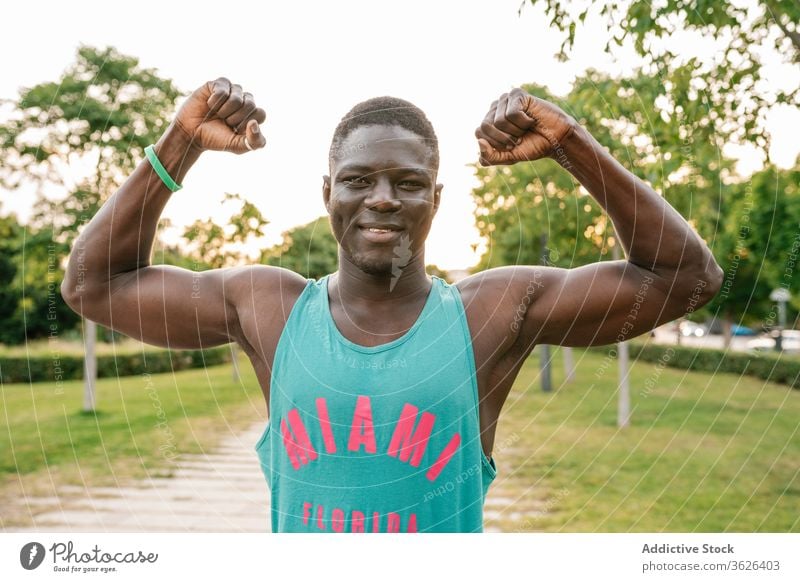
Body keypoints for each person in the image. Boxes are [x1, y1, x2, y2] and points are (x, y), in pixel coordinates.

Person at [62, 78, 723, 533]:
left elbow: (687, 277)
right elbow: (93, 284)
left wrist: (570, 144)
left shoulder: (489, 313)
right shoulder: (268, 307)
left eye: (406, 184)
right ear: (328, 193)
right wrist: (179, 144)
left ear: (436, 200)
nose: (381, 198)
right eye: (358, 180)